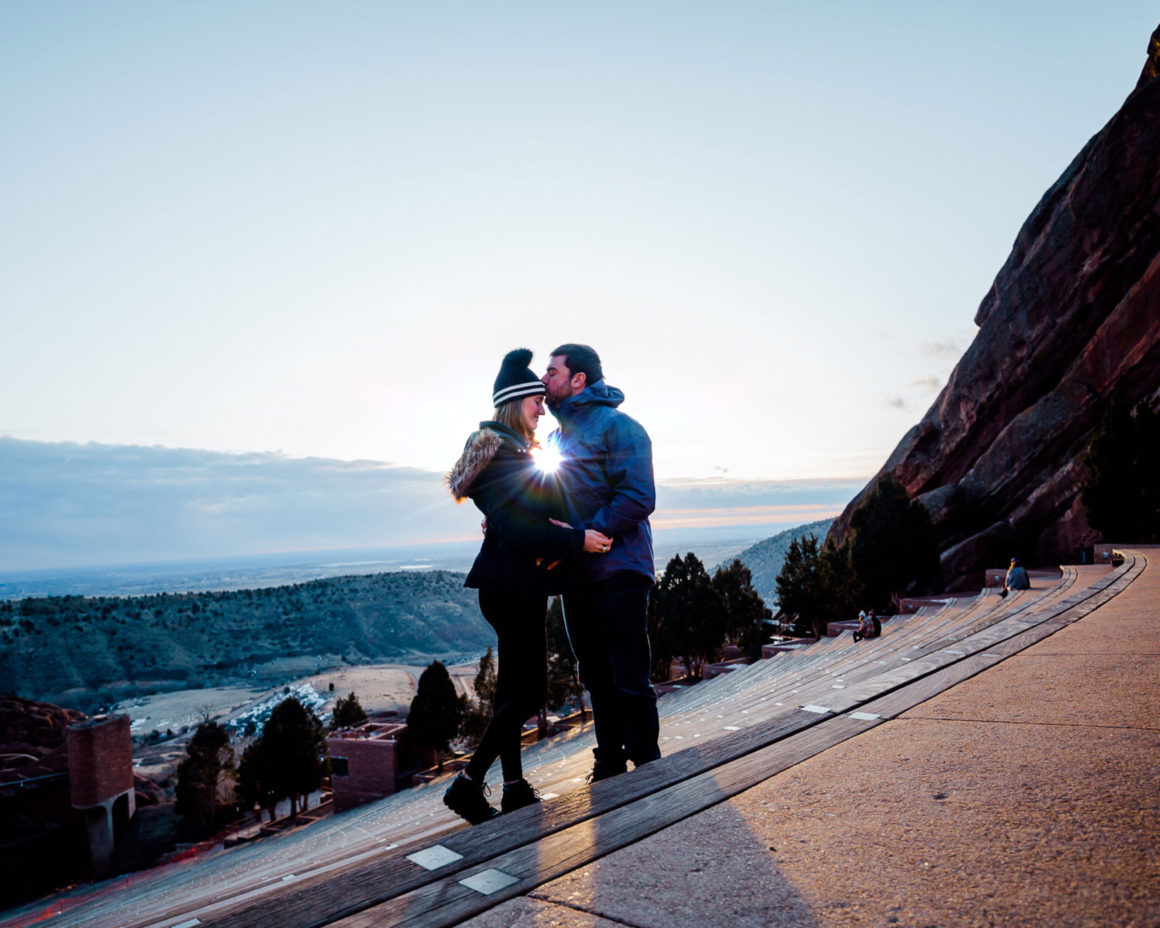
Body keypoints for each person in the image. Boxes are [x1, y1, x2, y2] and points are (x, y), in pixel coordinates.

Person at [444, 348, 613, 824]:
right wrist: (578, 538)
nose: (543, 407)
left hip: (514, 586)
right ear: (515, 402)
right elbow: (520, 528)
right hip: (512, 588)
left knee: (512, 692)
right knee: (531, 692)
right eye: (536, 400)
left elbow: (514, 518)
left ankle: (514, 787)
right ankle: (469, 783)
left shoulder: (508, 453)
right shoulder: (503, 457)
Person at [541, 343, 660, 781]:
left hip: (619, 570)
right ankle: (609, 760)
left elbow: (638, 497)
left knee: (628, 676)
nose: (543, 380)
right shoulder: (554, 440)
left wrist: (591, 532)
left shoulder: (620, 428)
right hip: (576, 575)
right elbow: (545, 502)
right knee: (593, 674)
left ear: (578, 380)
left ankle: (649, 765)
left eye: (551, 372)